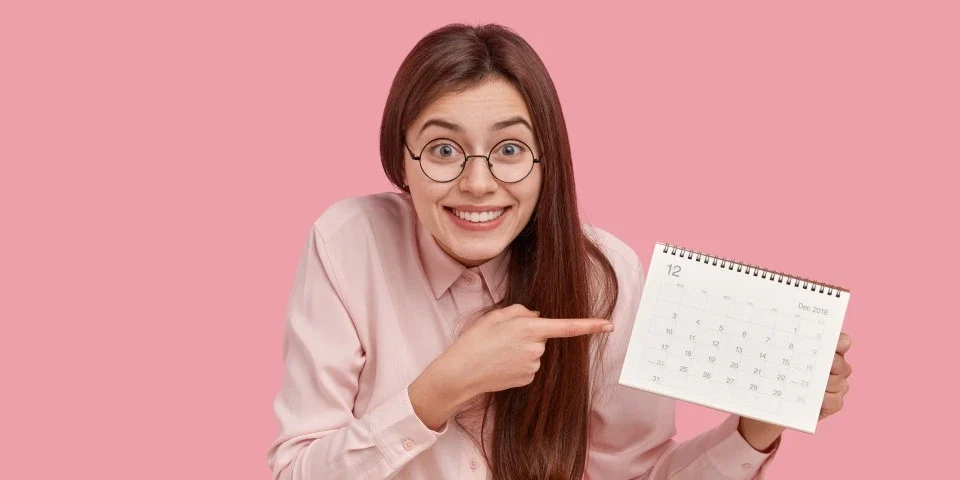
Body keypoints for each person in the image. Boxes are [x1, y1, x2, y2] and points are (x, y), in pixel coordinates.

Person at [266, 23, 853, 480]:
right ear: (402, 158)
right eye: (443, 150)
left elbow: (638, 474)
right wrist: (440, 387)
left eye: (510, 149)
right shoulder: (347, 244)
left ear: (547, 160)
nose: (477, 183)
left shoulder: (603, 275)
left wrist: (754, 428)